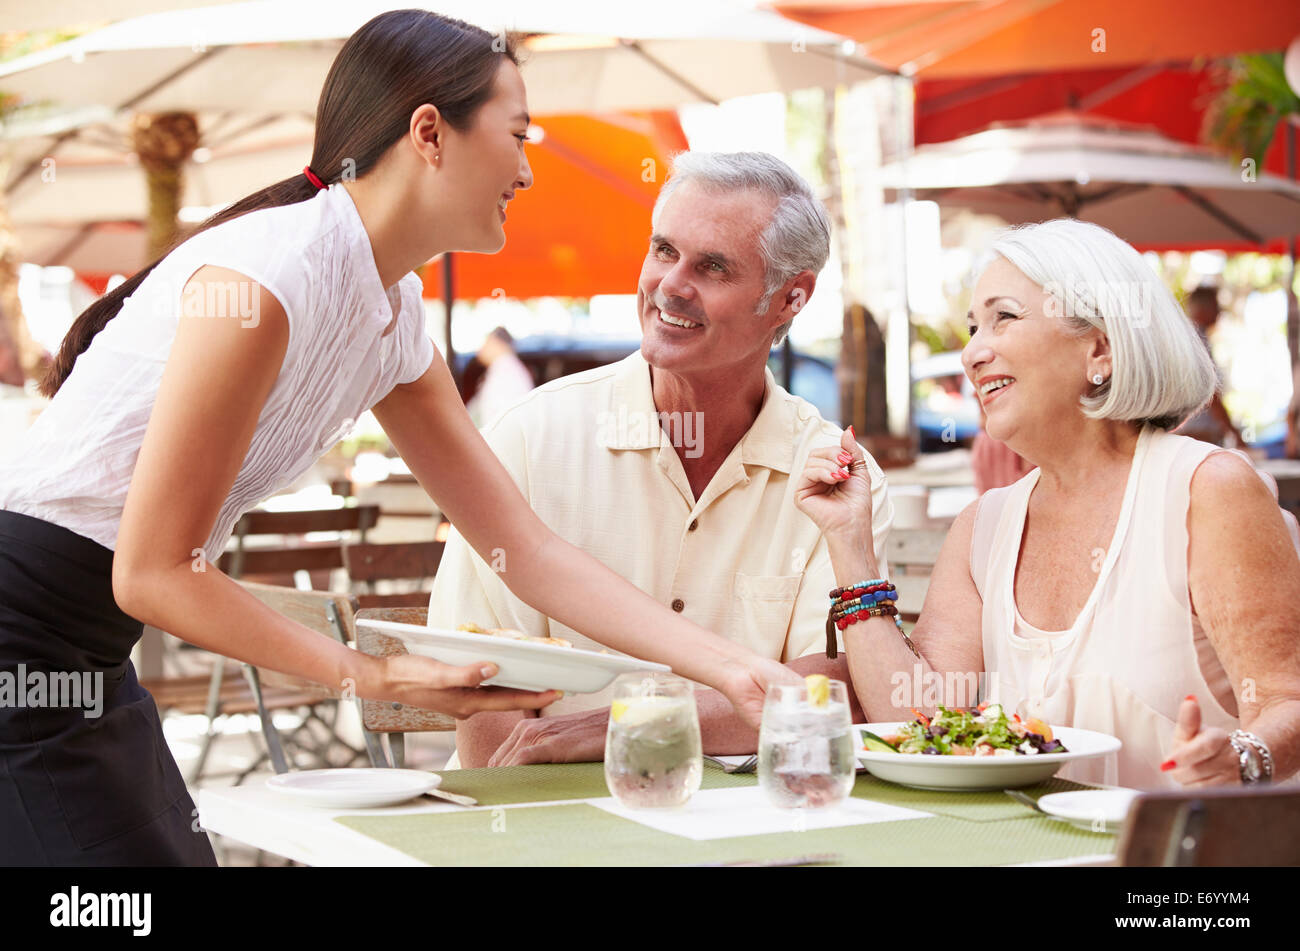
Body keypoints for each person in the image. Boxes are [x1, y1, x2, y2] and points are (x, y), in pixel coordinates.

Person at [0, 11, 793, 866]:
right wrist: (368, 675)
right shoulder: (268, 280)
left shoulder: (390, 311)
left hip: (86, 650)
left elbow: (520, 549)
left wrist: (729, 669)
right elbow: (154, 572)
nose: (528, 170)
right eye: (518, 135)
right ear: (429, 133)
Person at [794, 218, 1300, 790]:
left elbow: (1285, 699)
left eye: (1003, 317)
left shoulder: (1207, 491)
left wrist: (1242, 755)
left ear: (1100, 349)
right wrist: (848, 542)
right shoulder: (984, 526)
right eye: (971, 328)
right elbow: (923, 723)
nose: (971, 354)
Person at [428, 152, 894, 768]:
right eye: (664, 250)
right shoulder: (529, 439)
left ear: (789, 300)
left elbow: (832, 687)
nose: (671, 284)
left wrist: (618, 730)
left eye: (714, 267)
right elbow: (481, 680)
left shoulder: (837, 478)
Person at [1176, 285, 1246, 448]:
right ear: (1203, 308)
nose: (1219, 312)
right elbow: (1211, 396)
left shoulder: (1190, 337)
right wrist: (1234, 433)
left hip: (1195, 434)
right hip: (1198, 435)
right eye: (1216, 306)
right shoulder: (1196, 339)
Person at [465, 326, 534, 427]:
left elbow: (503, 418)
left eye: (486, 343)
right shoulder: (504, 368)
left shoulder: (508, 372)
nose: (480, 351)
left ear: (496, 343)